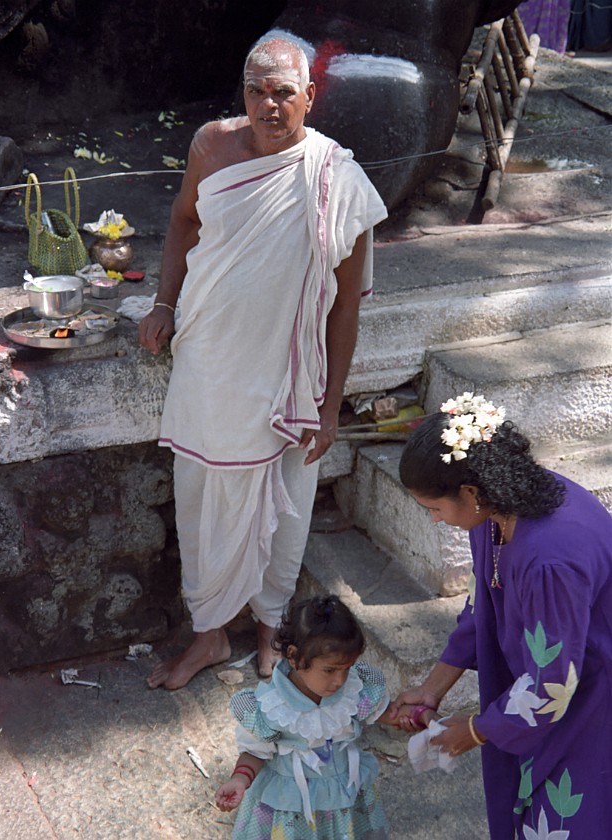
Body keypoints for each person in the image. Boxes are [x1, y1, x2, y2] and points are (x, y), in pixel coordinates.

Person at [138, 38, 387, 689]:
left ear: (311, 96)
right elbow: (182, 222)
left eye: (284, 92)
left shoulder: (338, 180)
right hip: (210, 358)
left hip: (289, 375)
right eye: (257, 90)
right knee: (200, 500)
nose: (269, 105)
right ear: (242, 94)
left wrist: (331, 406)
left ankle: (273, 632)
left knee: (288, 504)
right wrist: (163, 302)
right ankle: (209, 637)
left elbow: (343, 310)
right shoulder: (211, 147)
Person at [390, 392, 612, 839]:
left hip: (590, 703)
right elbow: (483, 609)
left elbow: (551, 684)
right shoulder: (497, 512)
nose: (433, 519)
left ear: (469, 492)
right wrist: (432, 689)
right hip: (551, 691)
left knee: (568, 818)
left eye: (434, 508)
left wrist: (474, 730)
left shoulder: (550, 559)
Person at [215, 594, 401, 838]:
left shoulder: (353, 689)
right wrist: (240, 779)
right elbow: (254, 751)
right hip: (291, 808)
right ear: (294, 656)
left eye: (346, 669)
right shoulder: (271, 708)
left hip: (343, 798)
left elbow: (381, 712)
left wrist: (410, 716)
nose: (340, 680)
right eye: (330, 670)